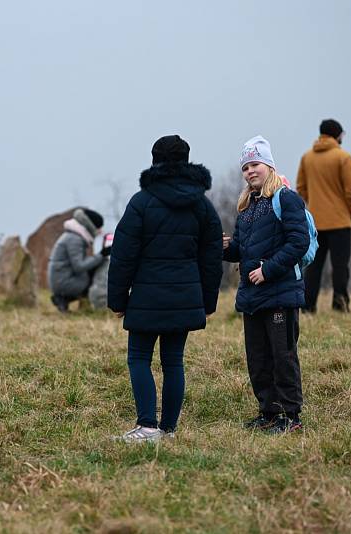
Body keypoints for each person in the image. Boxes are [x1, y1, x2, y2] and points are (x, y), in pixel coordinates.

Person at [108, 134, 223, 442]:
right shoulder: (202, 207)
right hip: (185, 297)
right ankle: (168, 430)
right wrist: (207, 302)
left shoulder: (141, 203)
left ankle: (147, 427)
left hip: (146, 297)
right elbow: (212, 258)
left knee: (139, 358)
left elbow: (122, 255)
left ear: (154, 161)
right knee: (174, 361)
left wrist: (118, 299)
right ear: (187, 161)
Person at [223, 136, 309, 434]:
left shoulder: (286, 198)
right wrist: (226, 248)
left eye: (255, 164)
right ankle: (268, 412)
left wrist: (268, 270)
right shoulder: (247, 206)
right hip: (253, 295)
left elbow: (299, 241)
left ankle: (291, 416)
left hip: (280, 293)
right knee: (258, 359)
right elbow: (243, 250)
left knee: (282, 357)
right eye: (245, 167)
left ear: (269, 165)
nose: (250, 171)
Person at [296, 119, 351, 313]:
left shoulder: (307, 158)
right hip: (340, 222)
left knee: (313, 266)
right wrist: (349, 212)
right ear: (338, 135)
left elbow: (300, 187)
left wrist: (313, 203)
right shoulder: (344, 157)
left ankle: (308, 306)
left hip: (315, 221)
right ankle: (340, 305)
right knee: (340, 267)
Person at [47, 208, 106, 312]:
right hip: (64, 282)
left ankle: (63, 299)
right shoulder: (75, 239)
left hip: (61, 279)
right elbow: (79, 266)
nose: (100, 231)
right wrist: (101, 255)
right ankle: (64, 298)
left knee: (93, 270)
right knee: (96, 280)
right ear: (91, 226)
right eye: (98, 228)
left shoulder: (72, 236)